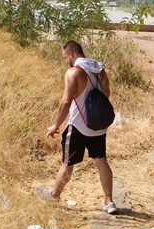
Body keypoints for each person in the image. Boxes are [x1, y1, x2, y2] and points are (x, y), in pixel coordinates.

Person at [41, 40, 117, 214]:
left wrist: (55, 125)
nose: (66, 60)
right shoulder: (99, 69)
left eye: (65, 57)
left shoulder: (73, 73)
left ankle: (54, 196)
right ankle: (109, 201)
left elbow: (66, 101)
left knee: (67, 163)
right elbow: (106, 93)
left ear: (72, 54)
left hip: (77, 125)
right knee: (101, 161)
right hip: (98, 126)